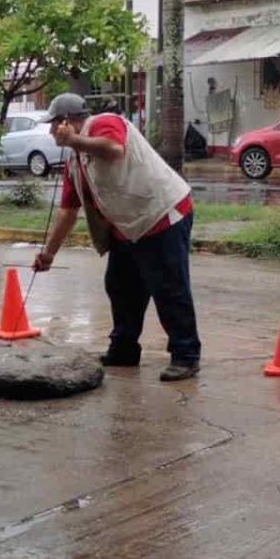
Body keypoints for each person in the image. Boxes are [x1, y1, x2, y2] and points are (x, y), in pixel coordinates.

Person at [32, 93, 201, 381]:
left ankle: (186, 355)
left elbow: (113, 149)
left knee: (168, 288)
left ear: (67, 122)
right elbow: (67, 213)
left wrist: (74, 141)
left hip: (162, 214)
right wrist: (48, 254)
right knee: (121, 287)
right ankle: (124, 350)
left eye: (53, 125)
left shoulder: (105, 123)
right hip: (128, 226)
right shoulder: (75, 164)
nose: (50, 132)